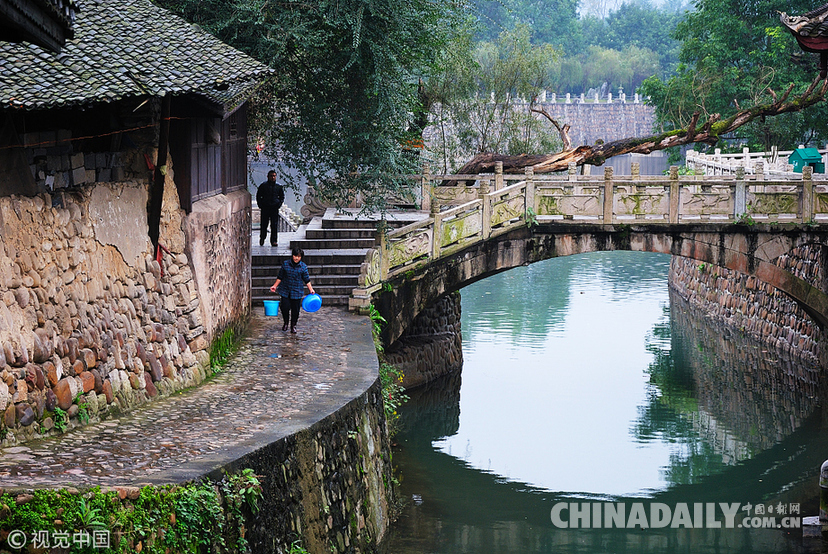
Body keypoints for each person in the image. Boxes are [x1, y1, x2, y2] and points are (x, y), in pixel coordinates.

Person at [270, 247, 316, 333]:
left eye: (298, 256)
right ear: (292, 256)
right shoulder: (285, 264)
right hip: (285, 290)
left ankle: (293, 325)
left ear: (301, 257)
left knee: (295, 310)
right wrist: (275, 286)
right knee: (285, 307)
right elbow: (280, 276)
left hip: (297, 291)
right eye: (295, 256)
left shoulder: (303, 267)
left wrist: (311, 290)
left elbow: (306, 279)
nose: (296, 258)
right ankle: (286, 322)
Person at [256, 169, 285, 247]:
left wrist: (279, 204)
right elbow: (259, 196)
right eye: (271, 176)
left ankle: (274, 241)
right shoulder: (263, 186)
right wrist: (260, 205)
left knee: (274, 225)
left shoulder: (278, 187)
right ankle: (262, 238)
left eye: (274, 176)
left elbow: (282, 197)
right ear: (268, 176)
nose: (273, 177)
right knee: (264, 224)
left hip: (274, 208)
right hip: (265, 208)